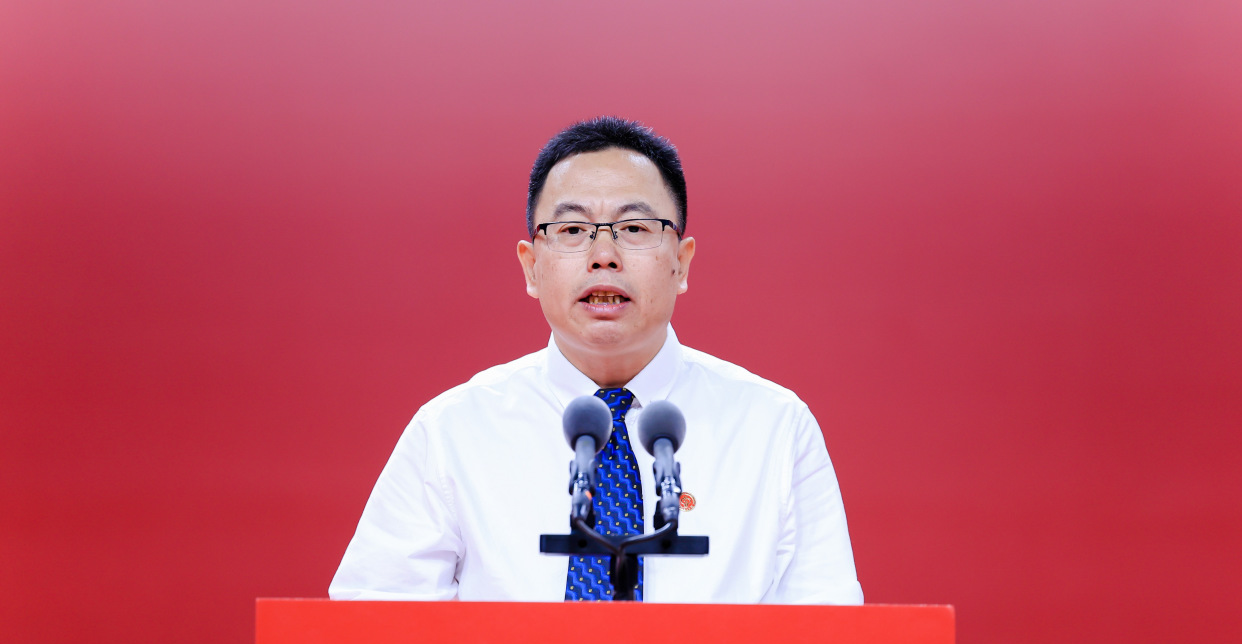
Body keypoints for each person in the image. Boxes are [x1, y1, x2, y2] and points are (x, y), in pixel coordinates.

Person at [329, 117, 862, 605]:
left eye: (634, 228)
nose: (603, 255)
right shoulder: (452, 432)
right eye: (572, 231)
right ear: (532, 268)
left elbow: (830, 640)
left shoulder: (773, 428)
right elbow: (371, 631)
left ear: (681, 263)